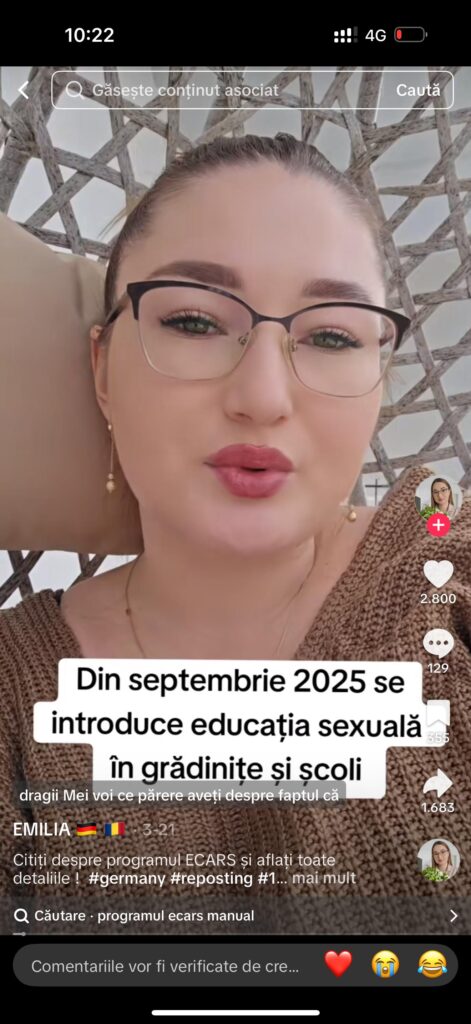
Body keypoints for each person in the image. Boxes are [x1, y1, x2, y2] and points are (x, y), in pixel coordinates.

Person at [1, 132, 470, 936]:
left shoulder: (444, 578)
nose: (261, 396)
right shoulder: (17, 703)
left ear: (378, 382)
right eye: (193, 321)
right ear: (102, 369)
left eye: (330, 336)